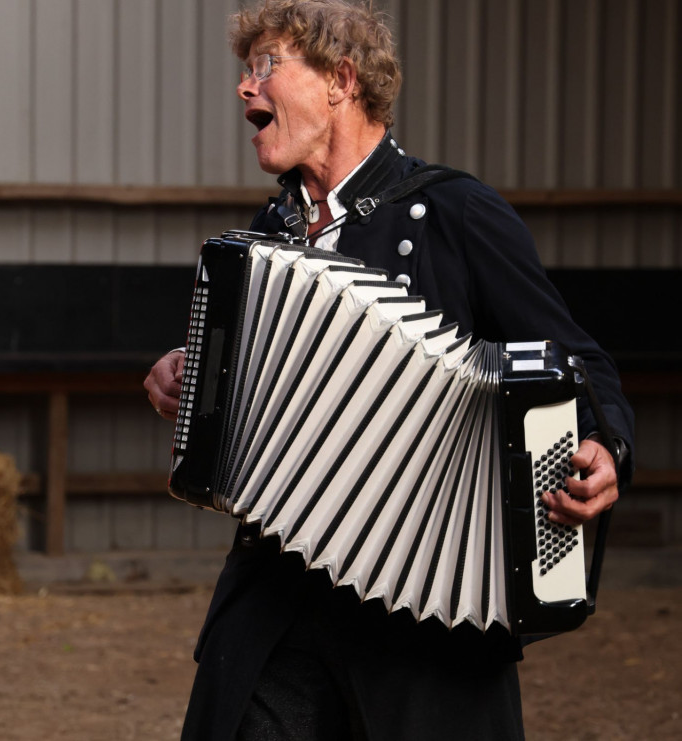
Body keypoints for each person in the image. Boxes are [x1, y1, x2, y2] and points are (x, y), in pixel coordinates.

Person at [144, 1, 635, 739]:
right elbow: (236, 401)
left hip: (422, 618)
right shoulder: (263, 239)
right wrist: (187, 377)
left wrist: (606, 445)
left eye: (267, 66)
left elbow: (576, 359)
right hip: (277, 611)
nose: (246, 89)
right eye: (246, 71)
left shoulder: (455, 212)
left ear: (341, 80)